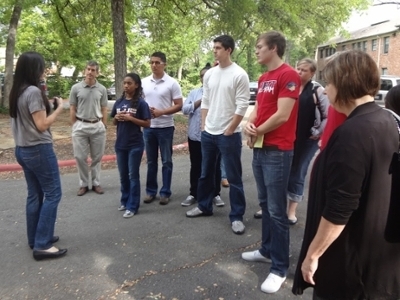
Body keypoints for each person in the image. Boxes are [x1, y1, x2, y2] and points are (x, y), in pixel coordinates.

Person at [292, 50, 400, 299]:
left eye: (329, 83)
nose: (327, 91)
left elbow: (340, 207)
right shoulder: (386, 119)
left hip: (351, 268)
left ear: (344, 83)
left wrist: (313, 255)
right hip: (377, 259)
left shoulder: (352, 133)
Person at [241, 31, 301, 294]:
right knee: (265, 205)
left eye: (259, 47)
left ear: (273, 48)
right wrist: (248, 126)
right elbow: (257, 108)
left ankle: (279, 268)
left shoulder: (289, 75)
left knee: (277, 211)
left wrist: (257, 131)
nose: (256, 51)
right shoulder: (264, 77)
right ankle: (266, 250)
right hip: (261, 148)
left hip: (278, 150)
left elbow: (283, 115)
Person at [186, 34, 250, 235]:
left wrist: (230, 129)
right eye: (213, 47)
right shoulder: (210, 74)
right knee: (205, 173)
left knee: (233, 176)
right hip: (209, 132)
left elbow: (242, 105)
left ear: (228, 50)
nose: (214, 50)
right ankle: (204, 206)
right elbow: (205, 101)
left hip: (228, 134)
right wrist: (204, 125)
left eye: (218, 48)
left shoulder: (239, 74)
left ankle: (237, 216)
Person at [9, 51, 67, 260]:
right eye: (42, 67)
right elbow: (42, 125)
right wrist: (60, 108)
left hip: (22, 149)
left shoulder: (18, 91)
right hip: (37, 150)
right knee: (53, 194)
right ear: (34, 69)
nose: (45, 70)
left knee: (35, 194)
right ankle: (42, 244)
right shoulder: (33, 92)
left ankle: (36, 237)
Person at [286, 58, 329, 224]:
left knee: (298, 171)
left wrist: (317, 131)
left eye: (304, 70)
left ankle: (291, 211)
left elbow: (327, 115)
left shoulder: (317, 90)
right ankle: (273, 205)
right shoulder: (290, 86)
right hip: (289, 137)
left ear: (312, 73)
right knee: (282, 170)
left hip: (308, 139)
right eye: (298, 68)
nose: (299, 72)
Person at [142, 51, 183, 205]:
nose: (154, 65)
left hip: (165, 127)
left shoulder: (171, 83)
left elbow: (179, 105)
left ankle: (165, 192)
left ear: (164, 64)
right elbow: (139, 103)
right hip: (149, 128)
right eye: (152, 62)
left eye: (157, 62)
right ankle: (151, 191)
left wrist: (162, 112)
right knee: (151, 161)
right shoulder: (144, 82)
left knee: (166, 161)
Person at [181, 63, 224, 208]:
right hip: (195, 136)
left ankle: (215, 194)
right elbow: (185, 109)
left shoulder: (219, 92)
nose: (204, 78)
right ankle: (194, 193)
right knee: (196, 165)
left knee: (215, 166)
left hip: (214, 135)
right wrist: (200, 101)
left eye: (207, 76)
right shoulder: (194, 93)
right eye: (201, 76)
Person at [110, 73, 151, 218]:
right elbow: (113, 122)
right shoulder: (119, 102)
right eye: (124, 83)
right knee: (123, 175)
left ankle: (133, 206)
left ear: (136, 85)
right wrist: (116, 118)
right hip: (120, 144)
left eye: (129, 83)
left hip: (135, 144)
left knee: (133, 175)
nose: (126, 86)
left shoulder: (141, 103)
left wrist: (131, 119)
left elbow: (147, 123)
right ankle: (125, 200)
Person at [69, 61, 108, 196]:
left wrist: (104, 124)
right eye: (88, 69)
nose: (90, 72)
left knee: (97, 157)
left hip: (97, 125)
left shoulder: (102, 89)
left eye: (93, 70)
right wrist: (75, 124)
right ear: (84, 71)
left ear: (97, 73)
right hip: (81, 125)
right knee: (80, 157)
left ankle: (96, 183)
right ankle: (84, 184)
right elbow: (72, 107)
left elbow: (104, 108)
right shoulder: (76, 88)